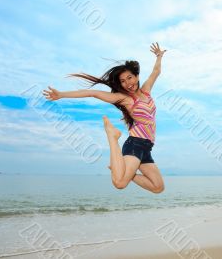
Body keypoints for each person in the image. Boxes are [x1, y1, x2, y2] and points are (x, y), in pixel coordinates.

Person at [43, 42, 167, 193]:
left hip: (147, 148)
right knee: (120, 183)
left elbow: (156, 71)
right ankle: (113, 136)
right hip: (135, 144)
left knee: (158, 187)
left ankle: (119, 167)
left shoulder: (146, 91)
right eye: (123, 81)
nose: (128, 83)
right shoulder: (123, 98)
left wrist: (159, 56)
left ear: (136, 76)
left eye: (130, 77)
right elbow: (92, 93)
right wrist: (61, 95)